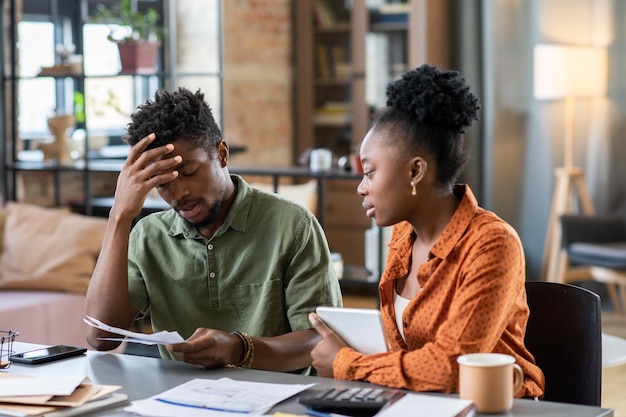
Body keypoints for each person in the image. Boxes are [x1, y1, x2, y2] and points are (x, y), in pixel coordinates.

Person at [308, 64, 545, 397]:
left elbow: (451, 367)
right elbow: (403, 352)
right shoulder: (403, 237)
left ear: (415, 170)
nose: (361, 188)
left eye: (370, 173)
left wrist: (347, 362)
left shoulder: (493, 243)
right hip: (419, 403)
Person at [85, 87, 342, 373]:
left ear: (221, 154)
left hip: (277, 398)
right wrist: (119, 217)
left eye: (190, 173)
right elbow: (101, 338)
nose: (179, 192)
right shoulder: (148, 236)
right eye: (162, 183)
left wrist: (239, 348)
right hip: (180, 398)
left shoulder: (293, 225)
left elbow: (320, 340)